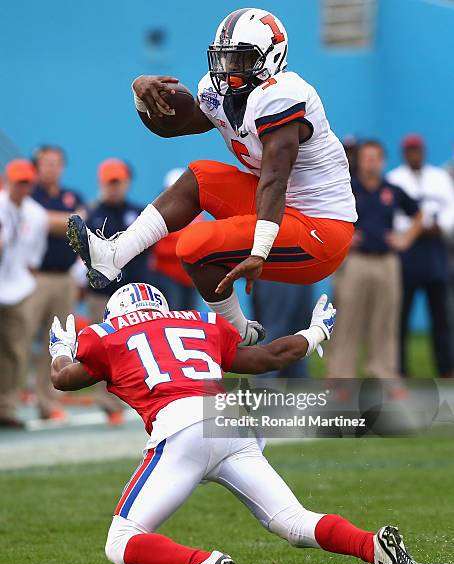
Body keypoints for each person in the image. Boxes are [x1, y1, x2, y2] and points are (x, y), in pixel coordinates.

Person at [49, 283, 425, 564]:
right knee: (292, 521)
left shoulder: (107, 335)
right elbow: (269, 357)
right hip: (231, 422)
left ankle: (201, 562)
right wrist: (316, 333)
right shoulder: (200, 323)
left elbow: (64, 380)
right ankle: (373, 546)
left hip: (181, 429)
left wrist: (59, 350)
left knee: (121, 541)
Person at [67, 8, 357, 348]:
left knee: (194, 245)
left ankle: (237, 330)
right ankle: (114, 255)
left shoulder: (283, 95)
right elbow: (172, 127)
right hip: (282, 207)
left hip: (320, 228)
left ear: (271, 58)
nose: (227, 69)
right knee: (200, 176)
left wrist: (260, 251)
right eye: (223, 58)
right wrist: (141, 95)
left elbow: (275, 179)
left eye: (239, 60)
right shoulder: (221, 92)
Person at [327, 141, 422, 378]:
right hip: (355, 262)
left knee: (385, 321)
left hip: (387, 262)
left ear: (383, 161)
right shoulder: (346, 187)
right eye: (366, 157)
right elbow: (325, 214)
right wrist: (346, 237)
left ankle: (383, 376)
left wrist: (405, 240)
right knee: (347, 321)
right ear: (359, 160)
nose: (371, 162)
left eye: (375, 157)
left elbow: (419, 215)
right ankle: (340, 378)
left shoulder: (391, 190)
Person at [85, 159, 152, 424]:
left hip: (134, 291)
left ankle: (142, 394)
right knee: (103, 346)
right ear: (102, 183)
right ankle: (108, 401)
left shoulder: (139, 212)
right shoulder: (92, 214)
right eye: (109, 182)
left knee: (138, 343)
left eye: (118, 181)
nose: (114, 187)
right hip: (103, 292)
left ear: (126, 182)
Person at [387, 134, 454, 377]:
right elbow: (394, 217)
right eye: (410, 150)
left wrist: (440, 227)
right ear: (404, 153)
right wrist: (418, 227)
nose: (414, 154)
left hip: (436, 249)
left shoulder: (439, 178)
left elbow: (450, 209)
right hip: (408, 250)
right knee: (401, 312)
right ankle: (400, 367)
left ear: (423, 151)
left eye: (418, 150)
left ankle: (445, 366)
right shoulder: (395, 178)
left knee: (441, 314)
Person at [27, 145, 86, 420]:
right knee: (19, 339)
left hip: (64, 278)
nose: (51, 168)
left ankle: (47, 401)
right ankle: (9, 399)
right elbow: (39, 221)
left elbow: (81, 223)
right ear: (37, 166)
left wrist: (51, 220)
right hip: (33, 277)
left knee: (58, 342)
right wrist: (62, 220)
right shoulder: (28, 194)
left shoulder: (70, 194)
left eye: (56, 163)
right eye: (46, 163)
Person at [0, 160, 48, 428]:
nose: (22, 187)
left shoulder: (37, 214)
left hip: (17, 289)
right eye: (18, 182)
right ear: (8, 181)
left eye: (26, 182)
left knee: (15, 351)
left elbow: (33, 257)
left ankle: (6, 408)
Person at [149, 168, 199, 310]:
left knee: (190, 318)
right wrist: (186, 248)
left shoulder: (195, 212)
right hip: (168, 276)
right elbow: (156, 248)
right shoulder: (160, 213)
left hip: (190, 278)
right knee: (172, 315)